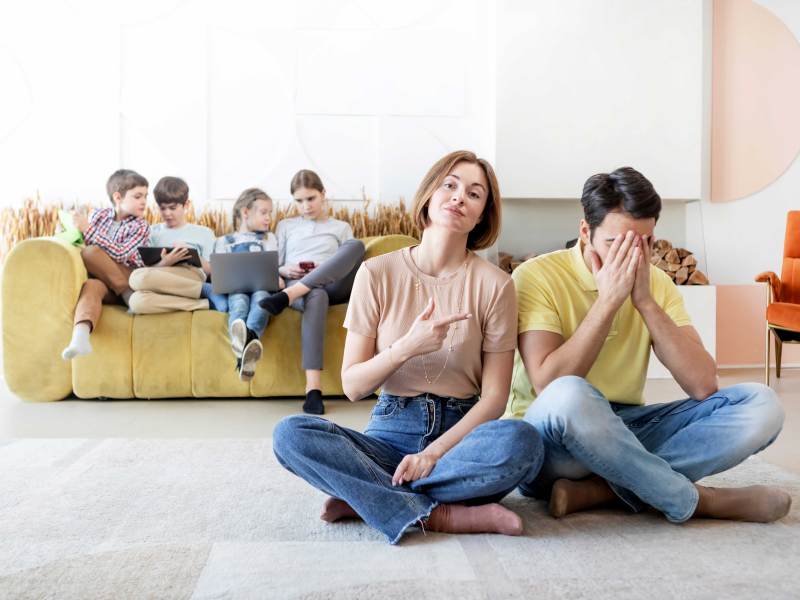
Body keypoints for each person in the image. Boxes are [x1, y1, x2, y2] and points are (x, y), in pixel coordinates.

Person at [273, 150, 544, 545]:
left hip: (460, 437)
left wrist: (433, 454)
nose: (458, 198)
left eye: (473, 194)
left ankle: (370, 497)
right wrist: (406, 347)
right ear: (429, 197)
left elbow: (495, 399)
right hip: (389, 433)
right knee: (290, 434)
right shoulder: (376, 272)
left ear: (483, 213)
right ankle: (441, 515)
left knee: (523, 442)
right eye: (449, 186)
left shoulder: (496, 285)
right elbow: (352, 386)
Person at [507, 166, 791, 524]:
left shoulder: (656, 283)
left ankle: (604, 490)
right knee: (571, 394)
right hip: (551, 441)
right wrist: (608, 302)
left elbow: (703, 383)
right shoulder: (536, 276)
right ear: (585, 232)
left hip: (624, 427)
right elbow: (548, 384)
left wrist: (645, 302)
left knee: (762, 405)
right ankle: (696, 500)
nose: (631, 256)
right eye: (616, 243)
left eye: (643, 243)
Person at [258, 170, 365, 415]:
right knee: (316, 295)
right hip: (302, 288)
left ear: (323, 194)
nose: (305, 206)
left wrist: (322, 270)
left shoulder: (341, 227)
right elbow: (276, 264)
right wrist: (287, 269)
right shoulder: (285, 226)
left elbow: (347, 264)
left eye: (311, 199)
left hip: (332, 284)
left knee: (356, 245)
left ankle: (291, 294)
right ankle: (313, 389)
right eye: (299, 201)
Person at [61, 169, 149, 360]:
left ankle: (128, 293)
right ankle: (80, 338)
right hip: (108, 285)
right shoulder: (98, 216)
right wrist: (74, 228)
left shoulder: (141, 225)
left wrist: (89, 231)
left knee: (91, 252)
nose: (144, 201)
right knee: (91, 284)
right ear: (118, 197)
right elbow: (84, 241)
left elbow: (121, 252)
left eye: (145, 196)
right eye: (137, 196)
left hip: (130, 279)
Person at [209, 188, 279, 381]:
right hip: (235, 288)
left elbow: (274, 265)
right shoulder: (223, 241)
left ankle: (244, 348)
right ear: (245, 212)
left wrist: (279, 275)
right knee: (239, 303)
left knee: (261, 299)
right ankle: (249, 345)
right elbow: (218, 271)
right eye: (264, 212)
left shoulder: (269, 239)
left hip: (262, 286)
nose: (268, 218)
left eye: (270, 213)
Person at [127, 176, 215, 314]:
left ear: (186, 205)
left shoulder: (204, 233)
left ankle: (204, 289)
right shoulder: (151, 231)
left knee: (136, 277)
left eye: (173, 208)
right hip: (161, 279)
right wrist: (166, 262)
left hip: (190, 274)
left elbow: (211, 271)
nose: (167, 213)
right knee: (136, 302)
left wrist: (193, 254)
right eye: (163, 208)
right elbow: (148, 272)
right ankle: (205, 304)